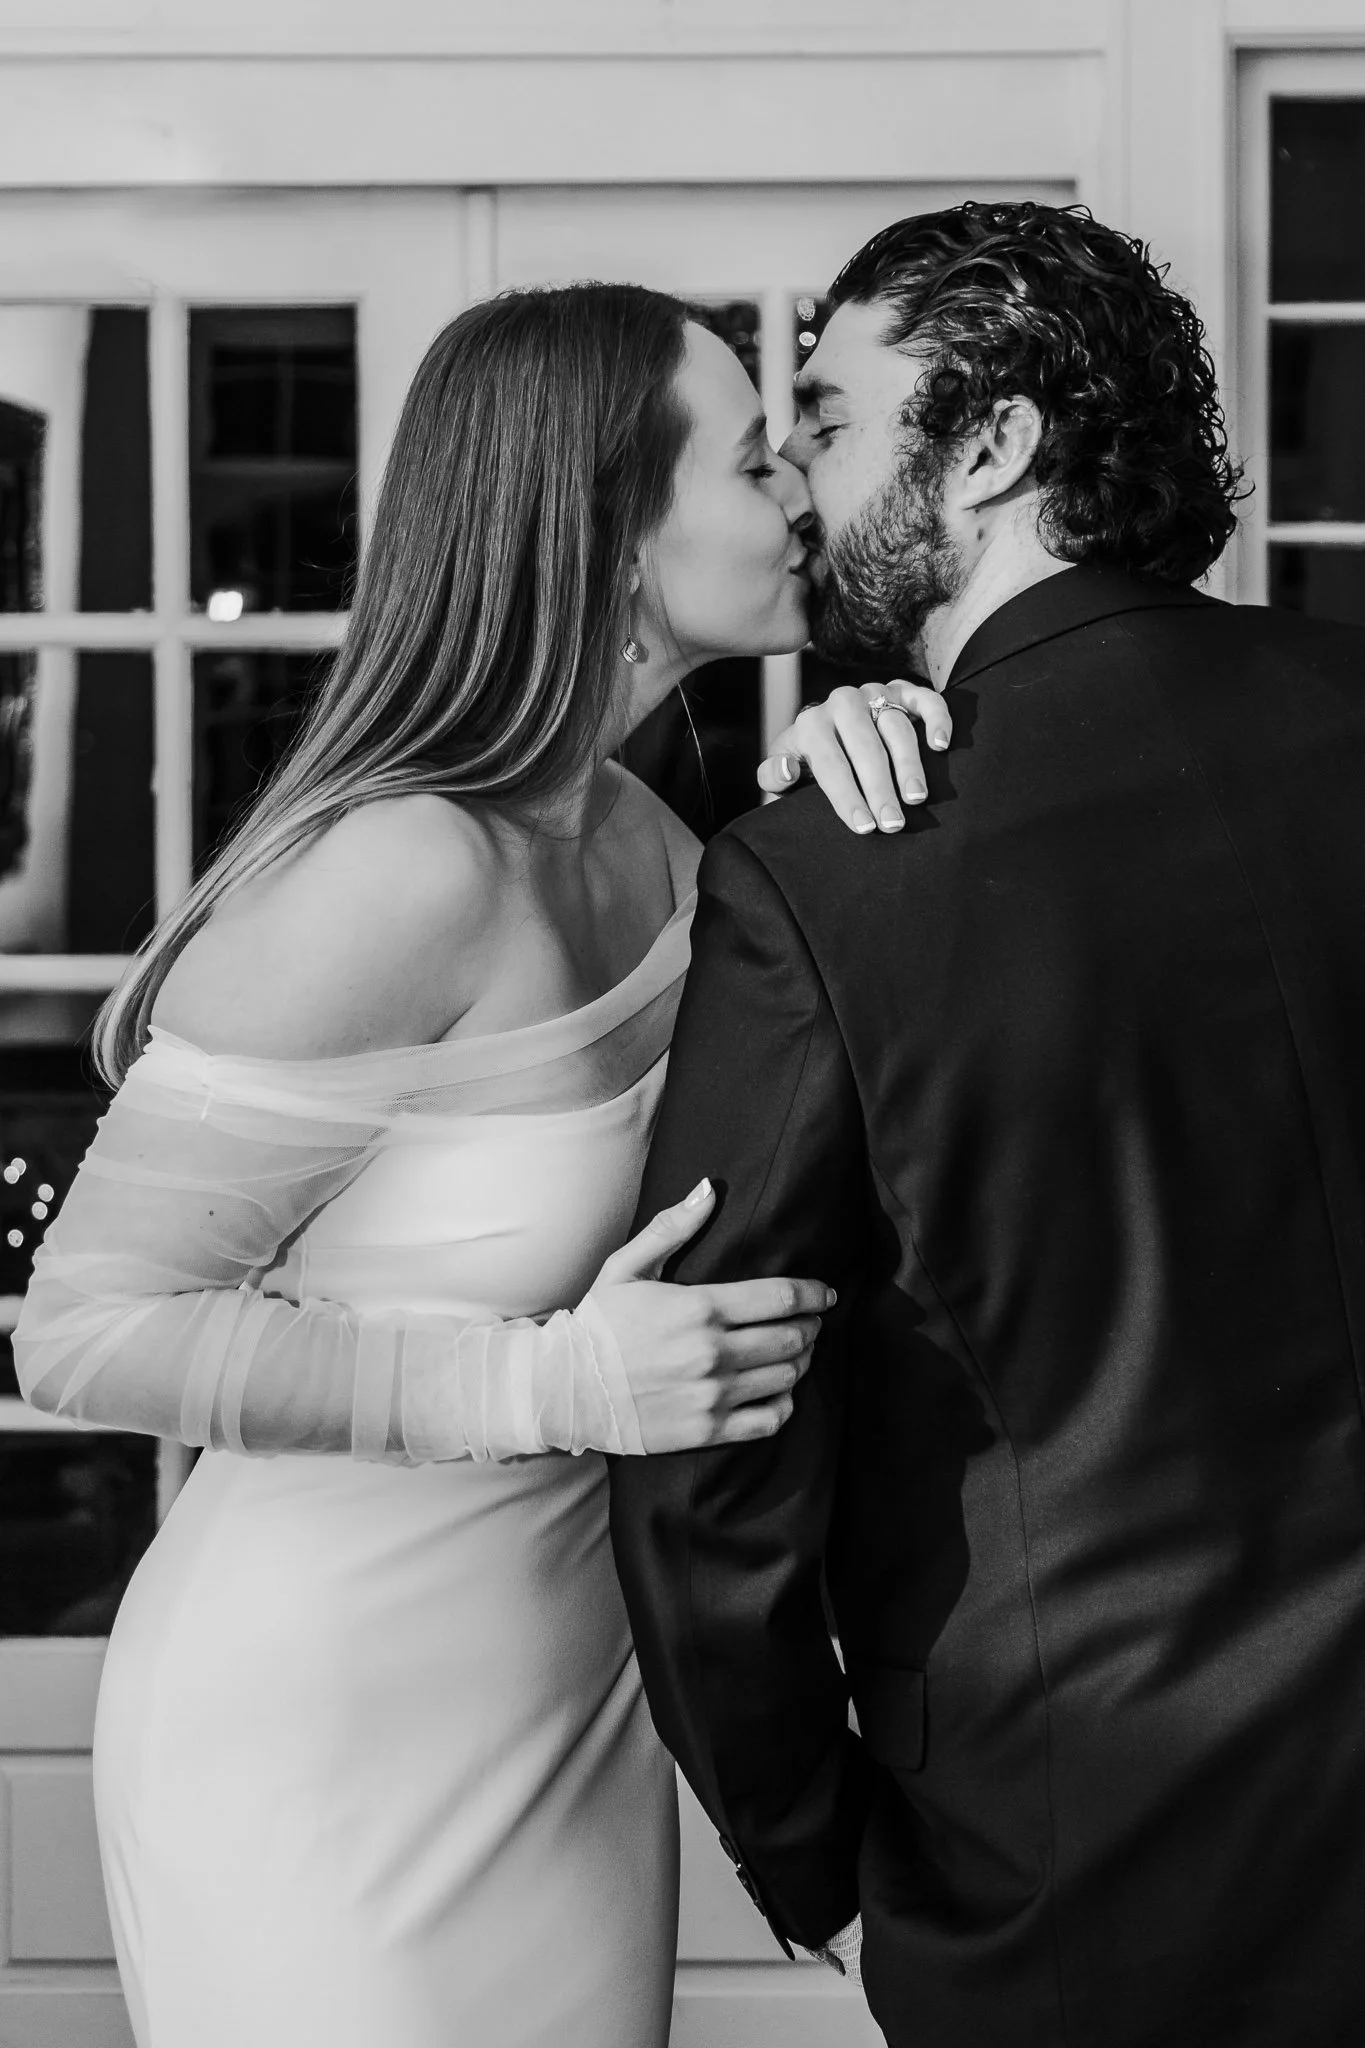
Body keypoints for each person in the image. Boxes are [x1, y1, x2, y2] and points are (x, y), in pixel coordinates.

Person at [12, 284, 947, 2048]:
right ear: (608, 523)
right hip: (325, 1720)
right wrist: (553, 1380)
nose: (807, 498)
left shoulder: (670, 848)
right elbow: (83, 1331)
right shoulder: (401, 871)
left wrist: (849, 785)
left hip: (570, 1706)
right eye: (758, 462)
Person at [608, 200, 1365, 2048]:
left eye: (838, 418)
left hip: (1074, 1862)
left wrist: (816, 1848)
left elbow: (718, 1453)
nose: (799, 470)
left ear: (997, 447)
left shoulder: (829, 876)